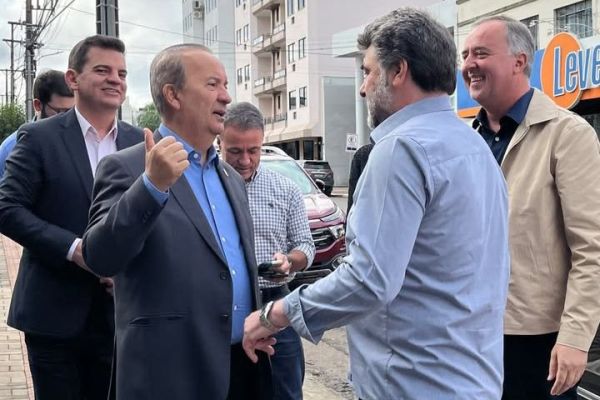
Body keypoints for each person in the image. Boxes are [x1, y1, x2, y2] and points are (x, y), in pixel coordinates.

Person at [243, 7, 510, 400]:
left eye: (368, 71)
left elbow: (369, 280)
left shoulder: (401, 149)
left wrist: (274, 315)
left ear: (398, 71)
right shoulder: (474, 146)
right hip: (473, 379)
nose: (363, 88)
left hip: (413, 383)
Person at [82, 44, 272, 400]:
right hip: (169, 376)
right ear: (173, 95)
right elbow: (100, 257)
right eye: (212, 84)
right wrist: (151, 186)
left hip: (241, 365)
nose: (226, 96)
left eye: (226, 85)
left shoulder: (231, 178)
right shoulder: (128, 167)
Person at [462, 15, 600, 399]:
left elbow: (592, 248)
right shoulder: (466, 141)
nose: (469, 64)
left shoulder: (567, 134)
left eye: (481, 53)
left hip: (537, 343)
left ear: (519, 61)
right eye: (466, 54)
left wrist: (575, 338)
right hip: (469, 334)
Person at [0, 35, 142, 400]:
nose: (115, 79)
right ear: (73, 78)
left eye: (122, 73)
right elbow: (7, 208)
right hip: (53, 314)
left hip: (121, 315)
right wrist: (75, 249)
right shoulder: (38, 137)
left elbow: (155, 217)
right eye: (103, 70)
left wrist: (128, 269)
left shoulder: (140, 143)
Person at [221, 102, 315, 400]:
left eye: (253, 150)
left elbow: (305, 245)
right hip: (223, 305)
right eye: (235, 151)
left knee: (284, 389)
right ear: (219, 141)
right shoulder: (209, 190)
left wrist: (289, 262)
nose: (245, 160)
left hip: (274, 302)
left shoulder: (285, 189)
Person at [0, 69, 74, 176]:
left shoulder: (79, 142)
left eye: (71, 112)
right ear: (38, 105)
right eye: (59, 112)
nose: (67, 119)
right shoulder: (11, 149)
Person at [346, 142, 373, 215]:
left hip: (365, 213)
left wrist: (349, 217)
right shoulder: (399, 152)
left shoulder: (364, 152)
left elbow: (353, 191)